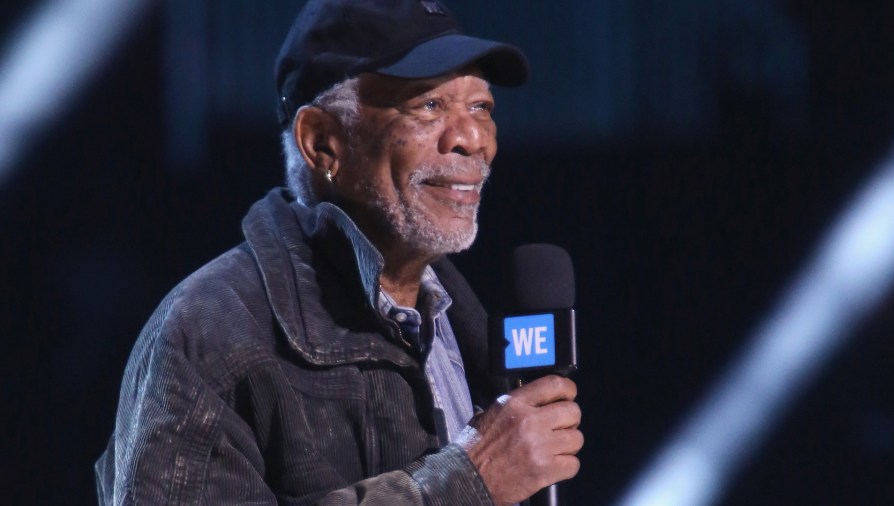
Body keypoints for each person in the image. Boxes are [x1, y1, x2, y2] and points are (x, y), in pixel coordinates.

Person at [95, 1, 583, 504]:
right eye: (428, 106)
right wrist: (462, 484)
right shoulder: (209, 333)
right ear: (322, 143)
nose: (471, 139)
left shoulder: (458, 326)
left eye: (480, 107)